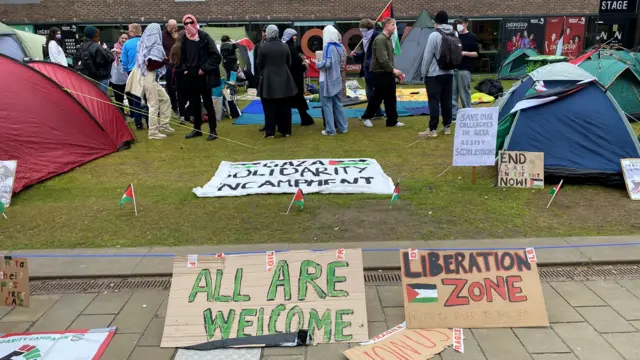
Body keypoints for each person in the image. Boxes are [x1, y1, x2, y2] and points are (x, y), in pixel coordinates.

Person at [127, 23, 174, 140]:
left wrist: (164, 60)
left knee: (165, 99)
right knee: (153, 104)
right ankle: (153, 132)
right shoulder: (150, 45)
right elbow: (151, 65)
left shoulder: (148, 44)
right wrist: (165, 61)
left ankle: (164, 124)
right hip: (147, 76)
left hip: (149, 77)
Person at [179, 14, 222, 140]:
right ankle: (197, 129)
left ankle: (213, 130)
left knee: (208, 103)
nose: (188, 26)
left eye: (190, 22)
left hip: (204, 75)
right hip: (191, 75)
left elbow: (216, 56)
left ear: (195, 22)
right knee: (194, 103)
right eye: (185, 24)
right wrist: (185, 69)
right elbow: (182, 58)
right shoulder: (184, 39)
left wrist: (204, 68)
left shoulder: (204, 37)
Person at [359, 18, 405, 128]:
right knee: (377, 97)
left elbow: (388, 59)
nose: (395, 27)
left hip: (387, 72)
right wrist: (394, 70)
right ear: (386, 25)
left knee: (390, 97)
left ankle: (392, 120)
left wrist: (394, 71)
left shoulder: (388, 39)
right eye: (393, 24)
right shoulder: (380, 39)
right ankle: (366, 117)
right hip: (379, 73)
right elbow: (382, 59)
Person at [257, 25, 297, 138]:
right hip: (285, 78)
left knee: (269, 107)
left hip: (269, 79)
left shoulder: (263, 47)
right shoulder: (284, 46)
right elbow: (289, 62)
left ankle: (270, 132)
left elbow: (259, 64)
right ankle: (286, 131)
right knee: (285, 106)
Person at [419, 11, 455, 138]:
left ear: (436, 22)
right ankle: (447, 127)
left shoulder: (434, 35)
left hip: (434, 74)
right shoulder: (454, 33)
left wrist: (424, 73)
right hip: (449, 72)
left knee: (434, 101)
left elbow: (427, 56)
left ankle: (432, 129)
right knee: (447, 100)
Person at [352, 19, 384, 126]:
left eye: (362, 29)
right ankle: (378, 112)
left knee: (372, 92)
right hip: (367, 68)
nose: (361, 31)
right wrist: (357, 55)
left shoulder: (376, 36)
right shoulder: (366, 38)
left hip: (373, 68)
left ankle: (369, 114)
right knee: (372, 91)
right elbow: (365, 53)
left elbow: (375, 53)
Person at [317, 25, 348, 136]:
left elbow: (327, 63)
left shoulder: (327, 47)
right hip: (337, 79)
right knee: (338, 104)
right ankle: (343, 127)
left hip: (326, 79)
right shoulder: (339, 47)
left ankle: (330, 129)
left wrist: (318, 64)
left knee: (327, 105)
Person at [282, 28, 314, 126]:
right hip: (295, 78)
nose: (295, 37)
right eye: (294, 36)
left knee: (290, 99)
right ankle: (304, 118)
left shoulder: (284, 46)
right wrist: (304, 65)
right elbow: (296, 65)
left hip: (288, 77)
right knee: (298, 98)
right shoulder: (290, 47)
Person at [452, 16, 478, 121]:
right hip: (453, 68)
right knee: (452, 93)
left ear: (466, 24)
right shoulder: (454, 36)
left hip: (464, 68)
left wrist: (465, 53)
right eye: (457, 23)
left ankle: (468, 113)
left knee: (464, 93)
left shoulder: (471, 36)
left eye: (461, 23)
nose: (459, 25)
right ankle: (453, 115)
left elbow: (476, 53)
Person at [77, 26, 114, 94]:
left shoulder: (82, 46)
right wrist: (106, 49)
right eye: (97, 35)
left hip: (88, 77)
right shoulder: (96, 46)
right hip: (100, 78)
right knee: (102, 99)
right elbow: (109, 58)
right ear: (94, 35)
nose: (99, 37)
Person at [122, 23, 144, 129]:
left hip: (133, 72)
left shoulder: (127, 44)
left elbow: (124, 61)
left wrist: (127, 71)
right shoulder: (147, 42)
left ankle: (138, 123)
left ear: (133, 32)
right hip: (146, 71)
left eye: (129, 31)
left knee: (136, 99)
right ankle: (151, 122)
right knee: (150, 98)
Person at [169, 31, 190, 124]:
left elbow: (171, 61)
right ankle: (189, 114)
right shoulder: (186, 47)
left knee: (180, 96)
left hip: (177, 73)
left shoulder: (174, 47)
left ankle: (182, 116)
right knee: (190, 94)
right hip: (186, 73)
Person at [110, 32, 130, 116]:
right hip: (116, 77)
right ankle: (121, 114)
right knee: (118, 97)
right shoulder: (114, 48)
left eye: (126, 38)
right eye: (122, 38)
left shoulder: (129, 48)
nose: (124, 40)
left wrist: (120, 52)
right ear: (119, 38)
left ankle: (133, 114)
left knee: (130, 97)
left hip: (127, 76)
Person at [162, 19, 179, 116]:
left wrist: (176, 39)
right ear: (167, 26)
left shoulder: (179, 35)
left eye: (174, 27)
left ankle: (182, 107)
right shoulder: (162, 35)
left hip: (179, 64)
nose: (172, 29)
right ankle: (174, 107)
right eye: (171, 27)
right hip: (168, 64)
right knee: (170, 87)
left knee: (181, 87)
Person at [255, 25, 268, 132]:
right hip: (261, 78)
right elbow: (256, 64)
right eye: (263, 31)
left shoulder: (275, 45)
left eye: (266, 31)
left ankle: (275, 122)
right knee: (264, 102)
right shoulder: (258, 46)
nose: (264, 34)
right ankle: (267, 122)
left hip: (272, 78)